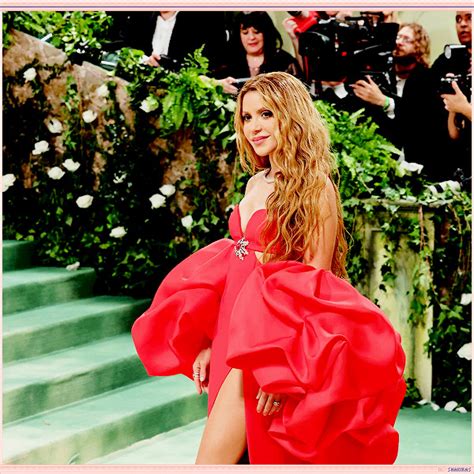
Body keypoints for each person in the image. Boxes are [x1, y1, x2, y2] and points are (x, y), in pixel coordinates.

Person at [131, 72, 406, 464]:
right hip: (229, 334)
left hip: (267, 341)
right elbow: (233, 270)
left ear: (291, 116)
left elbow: (316, 283)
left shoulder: (315, 187)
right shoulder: (254, 183)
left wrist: (283, 367)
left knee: (219, 462)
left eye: (266, 114)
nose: (254, 127)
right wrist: (209, 341)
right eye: (246, 117)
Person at [350, 23, 439, 173]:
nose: (398, 42)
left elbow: (419, 118)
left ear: (419, 47)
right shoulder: (382, 77)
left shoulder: (428, 79)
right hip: (384, 164)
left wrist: (384, 102)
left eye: (406, 39)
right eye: (398, 37)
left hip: (420, 163)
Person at [216, 12, 302, 94]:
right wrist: (219, 85)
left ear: (266, 33)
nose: (251, 37)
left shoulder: (284, 60)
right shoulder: (227, 62)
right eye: (245, 33)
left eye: (256, 32)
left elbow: (299, 87)